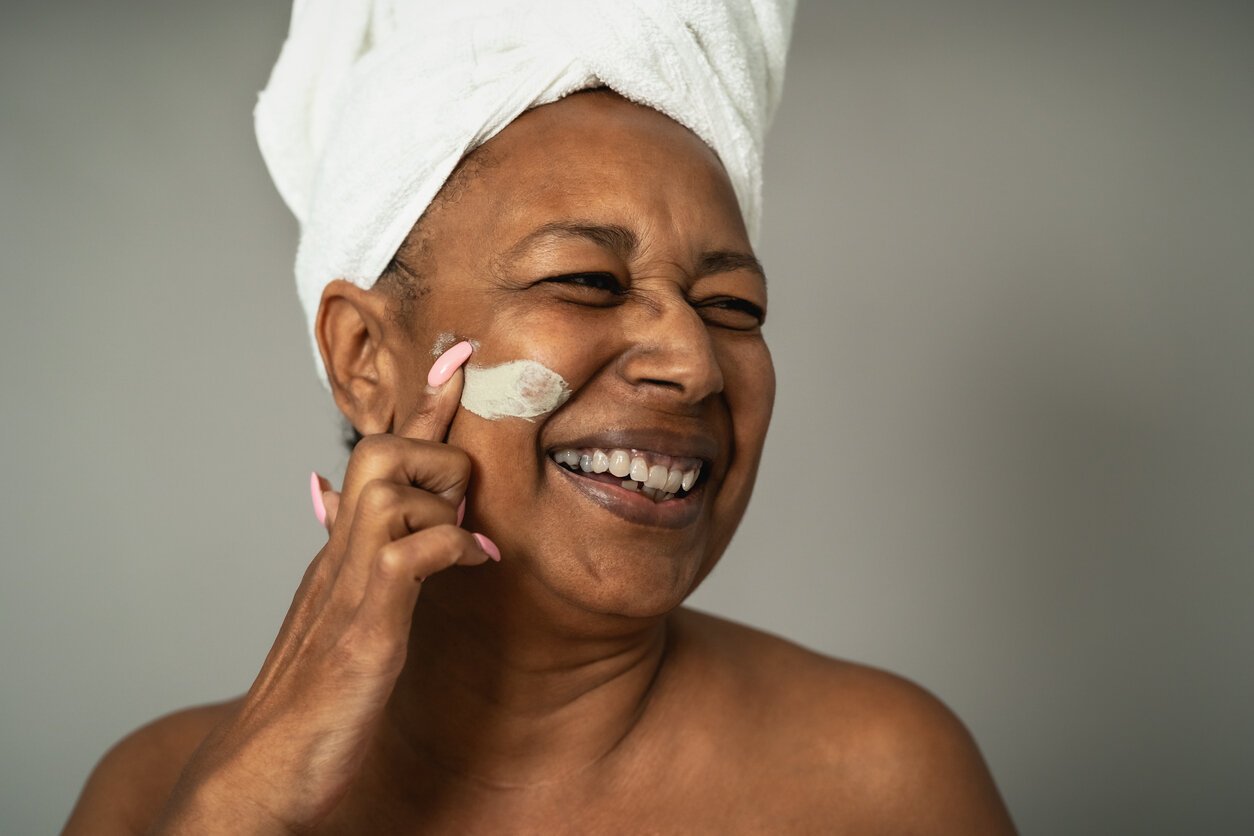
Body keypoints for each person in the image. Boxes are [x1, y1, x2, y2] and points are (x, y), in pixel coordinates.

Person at [65, 2, 1015, 833]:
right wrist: (239, 808)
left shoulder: (882, 782)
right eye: (587, 281)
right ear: (365, 358)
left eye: (733, 307)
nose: (694, 364)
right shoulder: (159, 795)